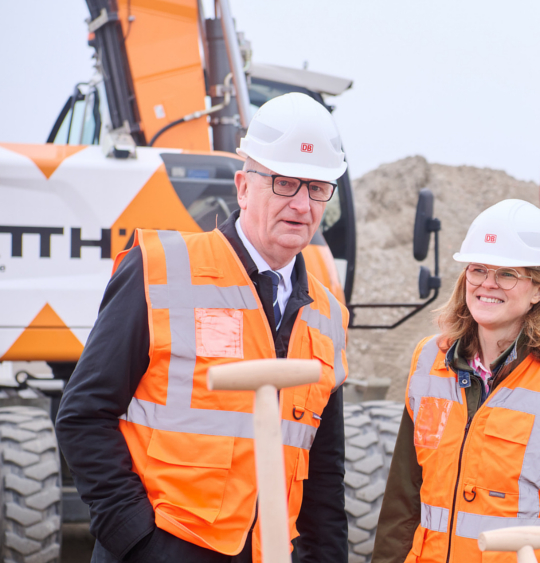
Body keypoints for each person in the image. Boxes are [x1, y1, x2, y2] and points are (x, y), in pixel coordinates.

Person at [56, 92, 351, 563]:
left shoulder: (328, 315)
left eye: (317, 187)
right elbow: (83, 415)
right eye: (284, 183)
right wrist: (136, 539)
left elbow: (323, 472)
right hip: (163, 546)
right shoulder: (159, 271)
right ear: (243, 186)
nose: (301, 204)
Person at [372, 199, 540, 563]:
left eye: (507, 274)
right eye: (478, 270)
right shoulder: (428, 362)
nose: (487, 284)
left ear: (539, 289)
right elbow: (402, 500)